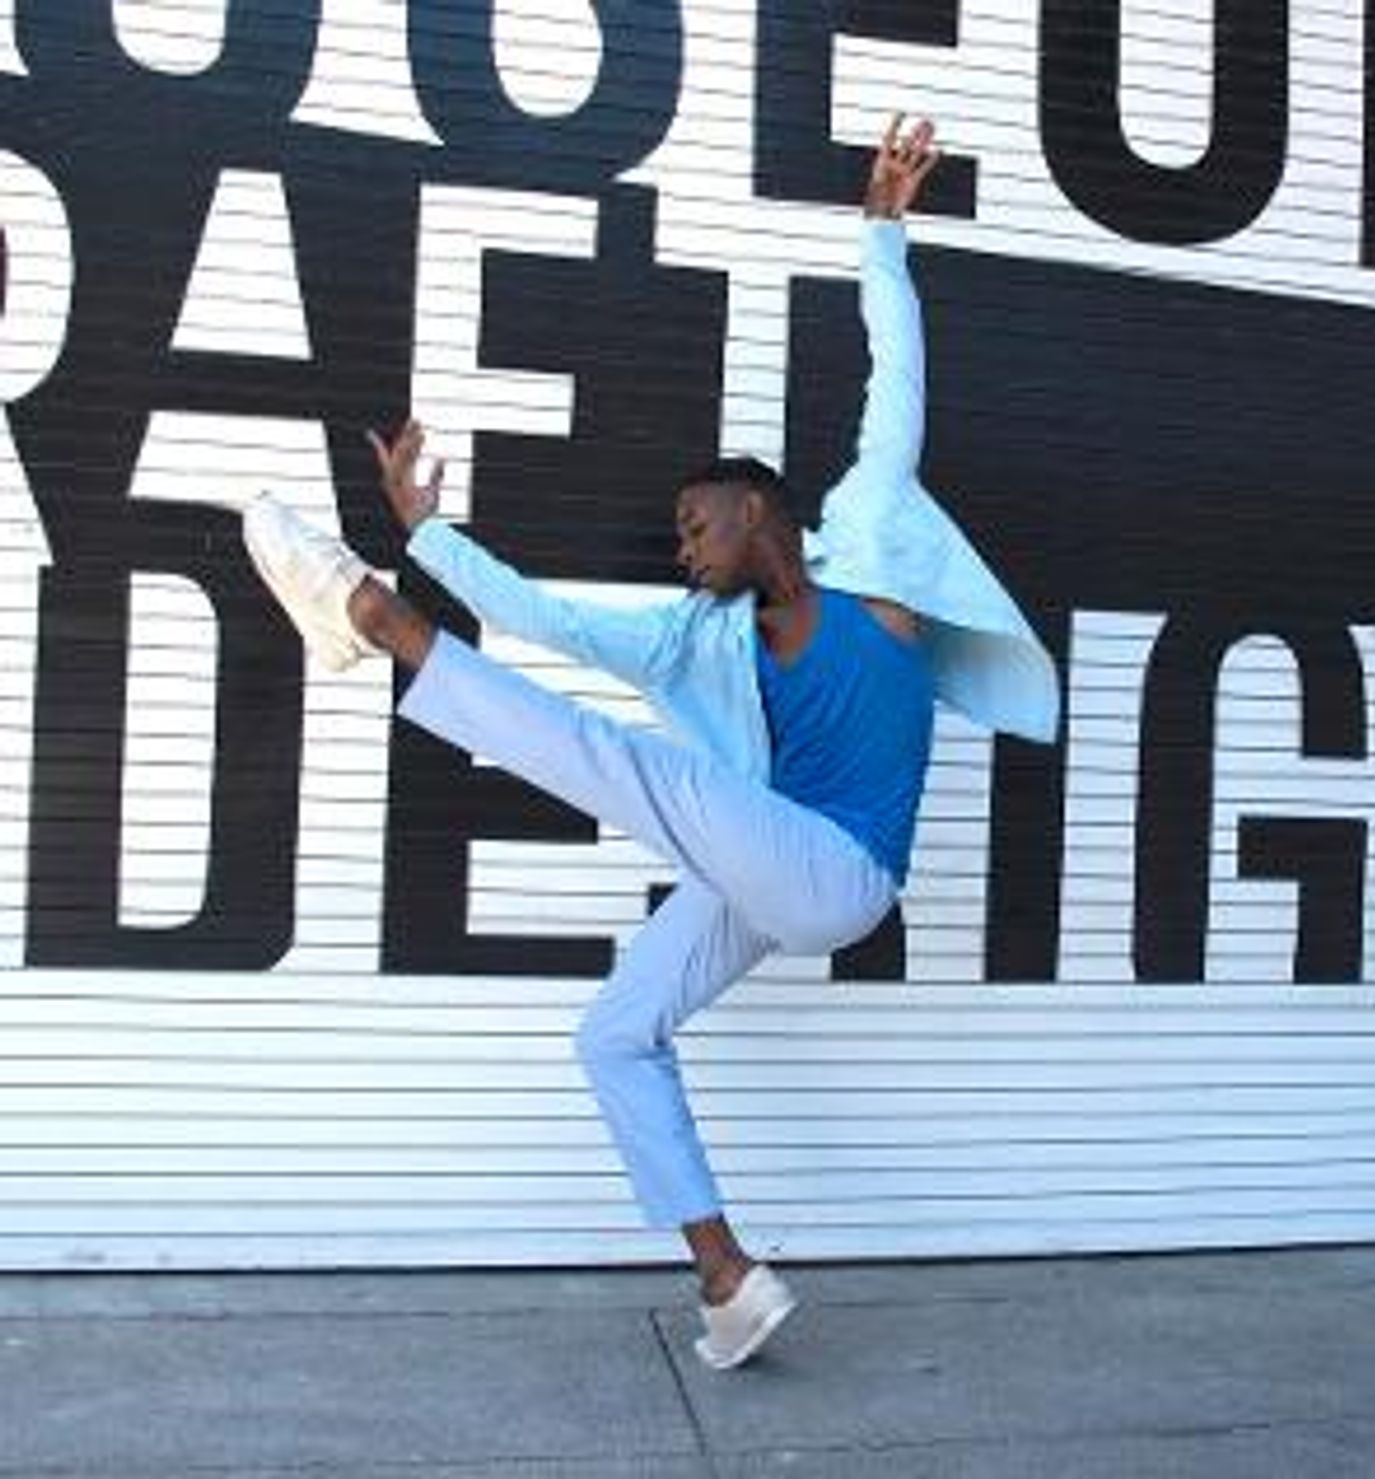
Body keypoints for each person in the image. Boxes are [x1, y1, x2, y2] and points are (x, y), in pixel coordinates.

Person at [242, 115, 1059, 1370]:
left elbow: (895, 381)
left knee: (641, 767)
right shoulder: (697, 638)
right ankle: (728, 1280)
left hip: (842, 873)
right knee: (615, 1032)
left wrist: (882, 230)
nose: (683, 549)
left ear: (756, 506)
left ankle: (379, 625)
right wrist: (427, 531)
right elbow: (550, 618)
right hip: (765, 864)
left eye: (694, 524)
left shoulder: (875, 556)